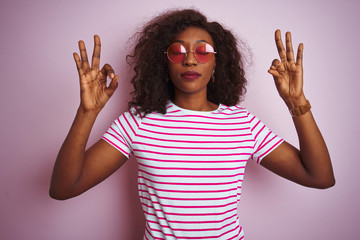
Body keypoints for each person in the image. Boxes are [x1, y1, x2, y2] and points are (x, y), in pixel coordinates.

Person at [49, 9, 335, 240]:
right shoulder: (137, 122)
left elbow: (319, 177)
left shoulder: (243, 124)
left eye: (202, 51)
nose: (189, 59)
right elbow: (63, 188)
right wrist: (87, 112)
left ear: (215, 64)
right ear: (165, 63)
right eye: (177, 51)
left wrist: (297, 102)